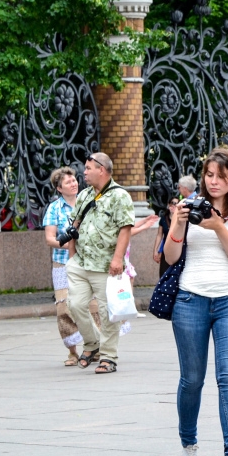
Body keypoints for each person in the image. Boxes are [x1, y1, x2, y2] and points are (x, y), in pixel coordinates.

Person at [163, 148, 228, 456]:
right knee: (192, 379)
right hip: (190, 300)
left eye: (221, 176)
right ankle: (189, 447)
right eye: (209, 175)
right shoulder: (189, 207)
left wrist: (218, 227)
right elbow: (171, 257)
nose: (214, 181)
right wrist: (177, 224)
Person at [64, 153, 135, 374]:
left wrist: (117, 259)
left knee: (107, 312)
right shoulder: (84, 195)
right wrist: (72, 256)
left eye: (88, 168)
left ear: (101, 169)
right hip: (80, 263)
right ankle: (93, 343)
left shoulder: (120, 196)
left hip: (105, 265)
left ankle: (108, 356)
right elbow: (75, 224)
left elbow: (126, 228)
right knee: (74, 305)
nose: (83, 172)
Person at [43, 167, 88, 366]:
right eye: (68, 182)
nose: (74, 183)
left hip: (87, 259)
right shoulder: (55, 208)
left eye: (75, 180)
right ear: (59, 188)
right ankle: (72, 352)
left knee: (92, 305)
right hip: (62, 261)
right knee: (64, 307)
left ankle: (93, 348)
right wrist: (68, 241)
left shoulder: (88, 201)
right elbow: (49, 239)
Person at [153, 197, 179, 277]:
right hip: (166, 249)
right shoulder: (164, 219)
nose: (174, 205)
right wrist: (156, 250)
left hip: (178, 248)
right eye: (172, 203)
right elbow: (159, 235)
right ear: (168, 205)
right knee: (164, 272)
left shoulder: (181, 219)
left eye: (176, 203)